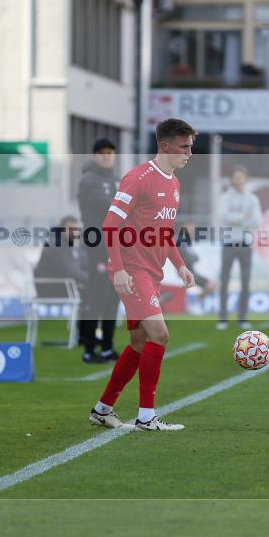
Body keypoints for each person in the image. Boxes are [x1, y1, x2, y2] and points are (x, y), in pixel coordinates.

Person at [88, 118, 196, 432]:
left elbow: (165, 233)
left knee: (138, 343)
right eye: (184, 147)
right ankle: (146, 416)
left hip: (152, 270)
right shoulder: (138, 178)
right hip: (133, 271)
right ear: (165, 145)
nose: (189, 153)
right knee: (159, 335)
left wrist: (180, 264)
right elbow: (110, 224)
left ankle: (102, 409)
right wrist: (119, 269)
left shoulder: (174, 183)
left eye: (191, 147)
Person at [77, 138, 121, 363]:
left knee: (113, 296)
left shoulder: (114, 179)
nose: (106, 156)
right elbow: (109, 206)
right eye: (102, 152)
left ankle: (107, 347)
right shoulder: (89, 179)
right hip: (98, 246)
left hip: (115, 244)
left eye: (110, 152)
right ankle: (88, 348)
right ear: (95, 155)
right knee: (96, 295)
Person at [217, 165, 262, 330]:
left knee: (245, 281)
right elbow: (224, 216)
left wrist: (236, 218)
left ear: (246, 178)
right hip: (228, 243)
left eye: (241, 177)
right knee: (225, 281)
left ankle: (242, 318)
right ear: (231, 179)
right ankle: (223, 319)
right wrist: (244, 217)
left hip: (245, 244)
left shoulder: (253, 199)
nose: (238, 180)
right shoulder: (225, 198)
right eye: (235, 177)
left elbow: (256, 220)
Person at [33, 215, 88, 297]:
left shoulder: (66, 245)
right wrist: (90, 278)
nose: (74, 232)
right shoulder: (56, 245)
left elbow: (74, 269)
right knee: (93, 293)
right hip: (53, 289)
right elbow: (69, 271)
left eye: (76, 229)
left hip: (61, 287)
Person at [178, 223, 216, 298]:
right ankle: (197, 301)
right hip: (186, 271)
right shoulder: (180, 242)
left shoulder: (186, 242)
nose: (193, 232)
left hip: (191, 271)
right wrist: (195, 258)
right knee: (211, 285)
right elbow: (186, 257)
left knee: (212, 285)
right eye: (191, 230)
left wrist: (194, 257)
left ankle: (198, 301)